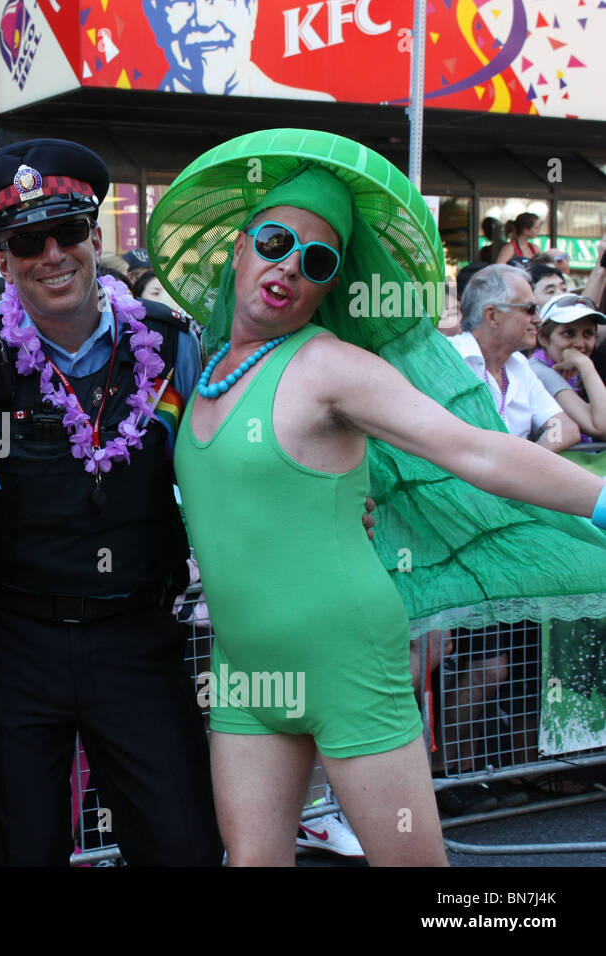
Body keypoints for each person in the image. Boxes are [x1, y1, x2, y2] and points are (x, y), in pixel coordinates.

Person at [149, 129, 606, 866]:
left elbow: (474, 448)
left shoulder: (332, 366)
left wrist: (602, 502)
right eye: (274, 241)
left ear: (331, 284)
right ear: (238, 247)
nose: (288, 267)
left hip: (348, 661)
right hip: (245, 670)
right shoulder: (202, 368)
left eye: (316, 260)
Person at [0, 138, 221, 866]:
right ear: (1, 259)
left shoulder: (168, 344)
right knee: (24, 848)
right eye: (26, 241)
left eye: (68, 232)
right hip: (14, 642)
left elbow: (229, 463)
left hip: (137, 637)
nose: (52, 254)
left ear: (95, 238)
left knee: (184, 843)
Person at [451, 265, 578, 448]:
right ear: (492, 316)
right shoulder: (451, 359)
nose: (538, 319)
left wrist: (531, 461)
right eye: (530, 308)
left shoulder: (518, 364)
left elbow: (563, 426)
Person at [144, 0, 335, 100]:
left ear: (250, 12)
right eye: (180, 1)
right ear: (155, 21)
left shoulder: (314, 116)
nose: (203, 20)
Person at [529, 294, 606, 441]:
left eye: (588, 334)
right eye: (568, 333)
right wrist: (585, 364)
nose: (580, 343)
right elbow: (603, 427)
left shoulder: (573, 371)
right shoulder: (539, 371)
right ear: (543, 338)